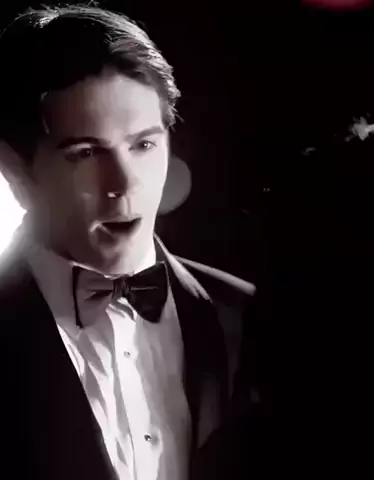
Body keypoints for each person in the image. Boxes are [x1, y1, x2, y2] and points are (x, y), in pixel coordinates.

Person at [0, 4, 255, 480]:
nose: (124, 183)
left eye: (144, 144)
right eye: (86, 153)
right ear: (14, 168)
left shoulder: (249, 319)